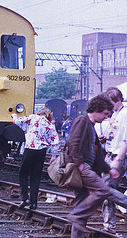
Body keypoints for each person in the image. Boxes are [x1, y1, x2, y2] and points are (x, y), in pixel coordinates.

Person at [66, 94, 117, 238]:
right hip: (82, 168)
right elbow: (72, 143)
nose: (106, 117)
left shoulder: (91, 125)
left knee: (81, 204)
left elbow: (97, 154)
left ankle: (77, 230)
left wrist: (108, 169)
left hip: (86, 167)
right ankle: (75, 216)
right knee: (103, 190)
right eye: (105, 113)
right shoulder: (82, 120)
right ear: (97, 109)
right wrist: (80, 164)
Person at [12, 107, 60, 210]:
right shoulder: (49, 124)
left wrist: (14, 116)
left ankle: (24, 198)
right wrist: (54, 155)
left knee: (23, 173)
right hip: (41, 151)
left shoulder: (33, 117)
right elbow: (55, 140)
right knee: (35, 176)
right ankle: (34, 203)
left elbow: (17, 122)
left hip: (30, 149)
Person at [98, 87, 127, 234]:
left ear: (118, 100)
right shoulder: (116, 113)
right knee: (107, 191)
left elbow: (126, 140)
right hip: (111, 154)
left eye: (111, 103)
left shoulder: (126, 114)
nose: (109, 107)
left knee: (103, 189)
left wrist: (118, 159)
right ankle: (109, 226)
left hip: (119, 156)